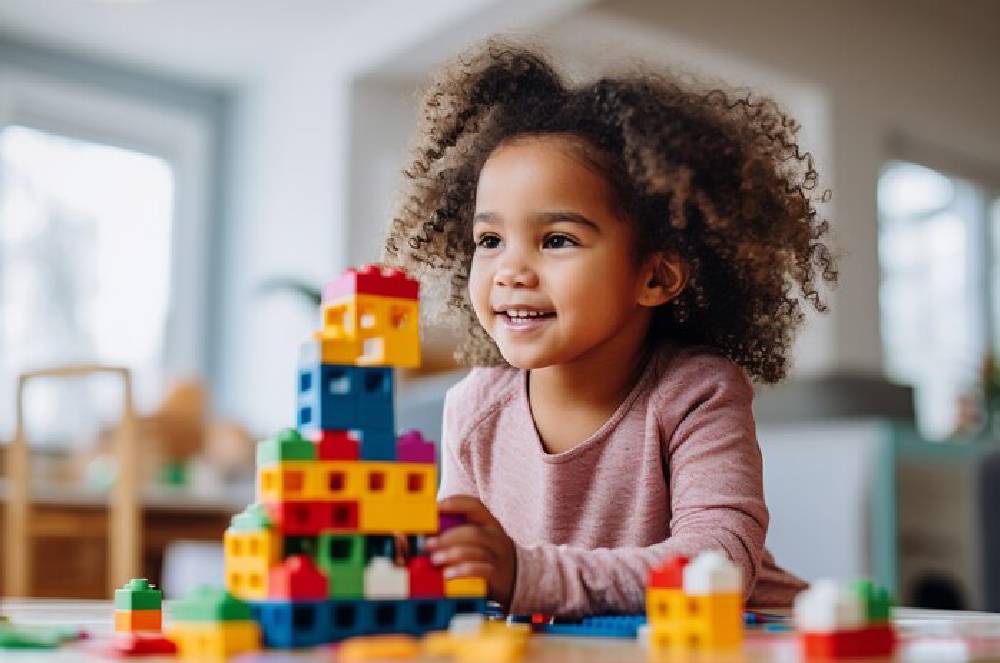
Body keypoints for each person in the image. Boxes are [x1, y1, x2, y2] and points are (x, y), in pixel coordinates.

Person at [383, 40, 837, 617]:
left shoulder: (696, 392)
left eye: (557, 240)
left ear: (656, 276)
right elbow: (467, 567)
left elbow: (718, 563)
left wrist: (525, 572)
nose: (510, 271)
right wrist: (417, 553)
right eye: (490, 240)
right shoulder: (472, 409)